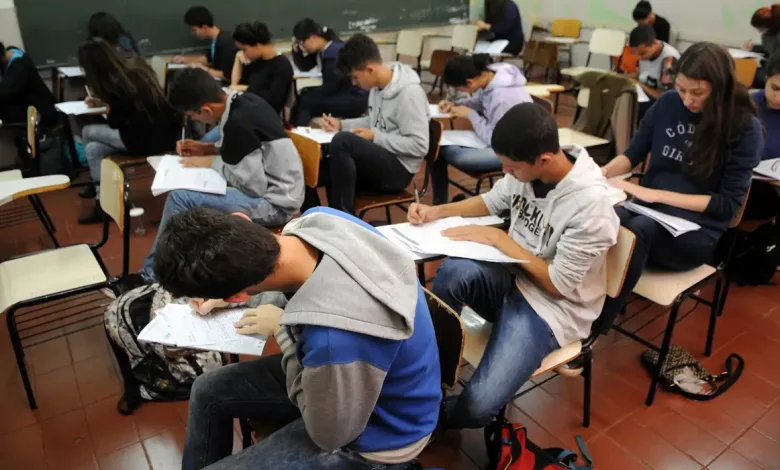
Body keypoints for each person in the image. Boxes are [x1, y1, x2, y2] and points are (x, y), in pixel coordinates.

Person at [152, 206, 441, 470]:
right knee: (207, 389)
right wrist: (233, 298)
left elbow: (329, 436)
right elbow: (297, 282)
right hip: (361, 377)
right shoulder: (319, 221)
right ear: (242, 219)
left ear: (236, 294)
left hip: (383, 433)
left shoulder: (334, 337)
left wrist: (282, 329)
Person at [408, 102, 620, 429]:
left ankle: (425, 420)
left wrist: (502, 241)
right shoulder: (526, 169)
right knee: (453, 270)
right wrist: (438, 211)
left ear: (544, 160)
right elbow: (494, 201)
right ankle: (428, 373)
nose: (506, 173)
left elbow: (559, 287)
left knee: (477, 408)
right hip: (511, 275)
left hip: (551, 308)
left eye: (511, 167)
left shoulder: (591, 208)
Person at [601, 43, 764, 320]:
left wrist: (656, 195)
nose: (687, 99)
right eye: (681, 89)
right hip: (649, 211)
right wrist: (599, 175)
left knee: (638, 229)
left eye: (697, 93)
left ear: (720, 87)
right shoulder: (667, 104)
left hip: (697, 232)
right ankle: (571, 304)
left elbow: (726, 205)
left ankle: (596, 327)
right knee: (605, 217)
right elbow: (631, 156)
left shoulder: (744, 127)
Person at [139, 68, 304, 283]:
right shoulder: (241, 99)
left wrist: (212, 163)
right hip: (284, 186)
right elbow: (246, 147)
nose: (193, 119)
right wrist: (207, 148)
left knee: (180, 197)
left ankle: (151, 275)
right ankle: (182, 264)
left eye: (192, 116)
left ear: (206, 110)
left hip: (276, 204)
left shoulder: (238, 125)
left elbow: (253, 187)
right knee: (191, 193)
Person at [317, 34, 429, 215]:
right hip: (381, 157)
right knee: (317, 169)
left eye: (355, 77)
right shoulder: (377, 88)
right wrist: (340, 124)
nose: (354, 83)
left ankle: (343, 218)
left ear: (370, 69)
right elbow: (374, 121)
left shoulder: (409, 94)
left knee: (342, 142)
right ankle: (320, 220)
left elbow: (419, 146)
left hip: (399, 171)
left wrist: (376, 137)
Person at [77, 39, 180, 224]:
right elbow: (131, 108)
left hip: (143, 140)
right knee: (93, 149)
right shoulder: (137, 70)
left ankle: (96, 185)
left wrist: (108, 107)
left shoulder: (113, 85)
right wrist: (107, 104)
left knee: (87, 131)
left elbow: (115, 122)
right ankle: (103, 202)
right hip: (165, 134)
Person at [432, 54, 532, 205]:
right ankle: (440, 204)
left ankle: (444, 205)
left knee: (453, 154)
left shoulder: (503, 97)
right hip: (497, 139)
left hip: (513, 150)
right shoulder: (489, 75)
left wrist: (471, 115)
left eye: (459, 89)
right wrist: (457, 104)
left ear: (469, 82)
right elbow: (480, 101)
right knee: (437, 146)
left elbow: (495, 139)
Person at [290, 18, 368, 126]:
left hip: (353, 99)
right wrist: (296, 52)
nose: (302, 47)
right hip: (342, 93)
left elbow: (329, 88)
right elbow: (306, 66)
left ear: (313, 37)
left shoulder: (334, 53)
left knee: (307, 101)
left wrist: (309, 92)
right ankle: (296, 130)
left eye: (302, 43)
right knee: (305, 97)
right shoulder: (323, 50)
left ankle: (300, 134)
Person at [229, 21, 293, 114]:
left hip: (265, 116)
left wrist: (245, 88)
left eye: (244, 49)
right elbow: (234, 86)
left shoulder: (281, 65)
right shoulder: (256, 61)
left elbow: (273, 102)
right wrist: (237, 58)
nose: (243, 54)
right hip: (249, 110)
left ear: (257, 45)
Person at [746, 51, 780, 219]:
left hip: (772, 191)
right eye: (775, 88)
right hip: (743, 182)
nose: (778, 98)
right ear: (766, 78)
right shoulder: (747, 104)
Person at [0, 42, 57, 130]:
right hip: (28, 104)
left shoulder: (18, 67)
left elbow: (6, 91)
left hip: (38, 110)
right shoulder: (11, 52)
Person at [172, 6, 238, 82]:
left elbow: (228, 76)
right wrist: (185, 59)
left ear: (204, 27)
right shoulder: (216, 41)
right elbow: (208, 58)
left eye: (194, 30)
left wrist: (203, 69)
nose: (192, 33)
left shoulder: (226, 43)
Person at [628, 24, 680, 119]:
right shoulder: (644, 52)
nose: (639, 58)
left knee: (629, 107)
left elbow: (666, 96)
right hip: (646, 94)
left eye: (642, 53)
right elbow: (644, 74)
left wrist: (639, 84)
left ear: (655, 43)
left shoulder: (669, 59)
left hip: (662, 104)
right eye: (635, 54)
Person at [745, 5, 780, 88]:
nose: (760, 31)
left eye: (760, 28)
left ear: (768, 25)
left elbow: (775, 58)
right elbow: (769, 49)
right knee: (749, 73)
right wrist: (753, 48)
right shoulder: (768, 35)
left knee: (751, 75)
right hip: (771, 70)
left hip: (775, 73)